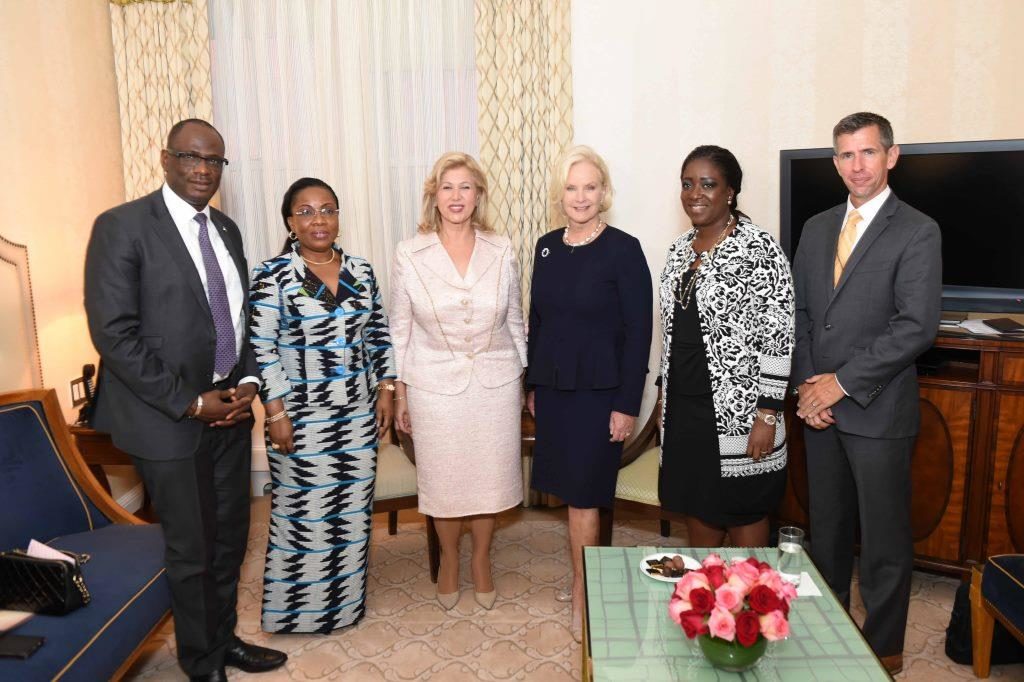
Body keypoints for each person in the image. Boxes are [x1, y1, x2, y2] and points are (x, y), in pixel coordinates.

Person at [84, 119, 286, 681]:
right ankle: (201, 663)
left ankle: (222, 640)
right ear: (166, 159)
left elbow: (238, 321)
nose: (203, 169)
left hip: (229, 412)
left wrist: (247, 386)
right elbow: (114, 334)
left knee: (229, 539)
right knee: (192, 547)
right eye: (191, 157)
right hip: (167, 418)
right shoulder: (122, 226)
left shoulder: (226, 229)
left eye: (214, 161)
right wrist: (193, 403)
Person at [792, 112, 942, 674]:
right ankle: (825, 629)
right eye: (847, 156)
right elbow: (803, 313)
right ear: (836, 163)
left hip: (876, 410)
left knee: (882, 544)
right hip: (819, 411)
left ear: (891, 156)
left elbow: (915, 326)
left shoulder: (918, 229)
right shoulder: (815, 227)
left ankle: (884, 651)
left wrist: (840, 384)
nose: (857, 166)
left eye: (868, 153)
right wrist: (810, 386)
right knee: (825, 535)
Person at [248, 177, 396, 633]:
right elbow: (261, 346)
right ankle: (293, 613)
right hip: (299, 419)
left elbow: (377, 334)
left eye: (327, 209)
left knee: (350, 517)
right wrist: (275, 414)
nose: (319, 220)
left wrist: (387, 388)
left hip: (355, 415)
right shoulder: (273, 274)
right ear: (290, 222)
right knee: (300, 518)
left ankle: (343, 607)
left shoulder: (362, 271)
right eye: (307, 211)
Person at [390, 152, 527, 612]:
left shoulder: (502, 248)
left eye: (465, 187)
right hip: (432, 386)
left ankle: (482, 561)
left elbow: (516, 320)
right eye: (447, 187)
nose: (456, 196)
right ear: (434, 195)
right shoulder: (409, 253)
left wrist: (525, 383)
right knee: (445, 480)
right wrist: (400, 392)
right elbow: (400, 328)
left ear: (478, 195)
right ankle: (450, 559)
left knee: (490, 478)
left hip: (495, 382)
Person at [526, 145, 653, 641]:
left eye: (590, 187)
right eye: (572, 187)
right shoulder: (546, 246)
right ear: (560, 194)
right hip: (556, 392)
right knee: (572, 495)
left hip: (601, 396)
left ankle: (584, 596)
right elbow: (538, 321)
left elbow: (638, 331)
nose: (581, 197)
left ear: (604, 192)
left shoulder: (624, 248)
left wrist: (626, 404)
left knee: (584, 498)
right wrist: (534, 384)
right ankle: (584, 579)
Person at [657, 145, 794, 548]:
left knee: (743, 507)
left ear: (730, 191)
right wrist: (665, 389)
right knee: (698, 503)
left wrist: (767, 413)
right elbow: (672, 331)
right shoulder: (680, 249)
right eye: (687, 184)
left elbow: (779, 336)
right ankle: (707, 601)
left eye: (707, 184)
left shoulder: (760, 249)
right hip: (685, 408)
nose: (694, 193)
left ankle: (747, 604)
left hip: (740, 410)